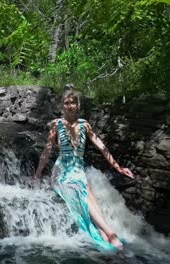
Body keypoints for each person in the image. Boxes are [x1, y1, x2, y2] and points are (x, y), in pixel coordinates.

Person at [33, 88, 134, 251]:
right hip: (62, 170)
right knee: (82, 188)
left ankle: (102, 232)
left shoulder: (84, 125)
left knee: (88, 192)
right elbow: (47, 150)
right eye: (66, 103)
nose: (70, 106)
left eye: (73, 102)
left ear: (78, 105)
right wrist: (38, 172)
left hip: (77, 169)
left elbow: (102, 147)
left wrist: (119, 168)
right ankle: (111, 233)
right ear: (62, 106)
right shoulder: (56, 125)